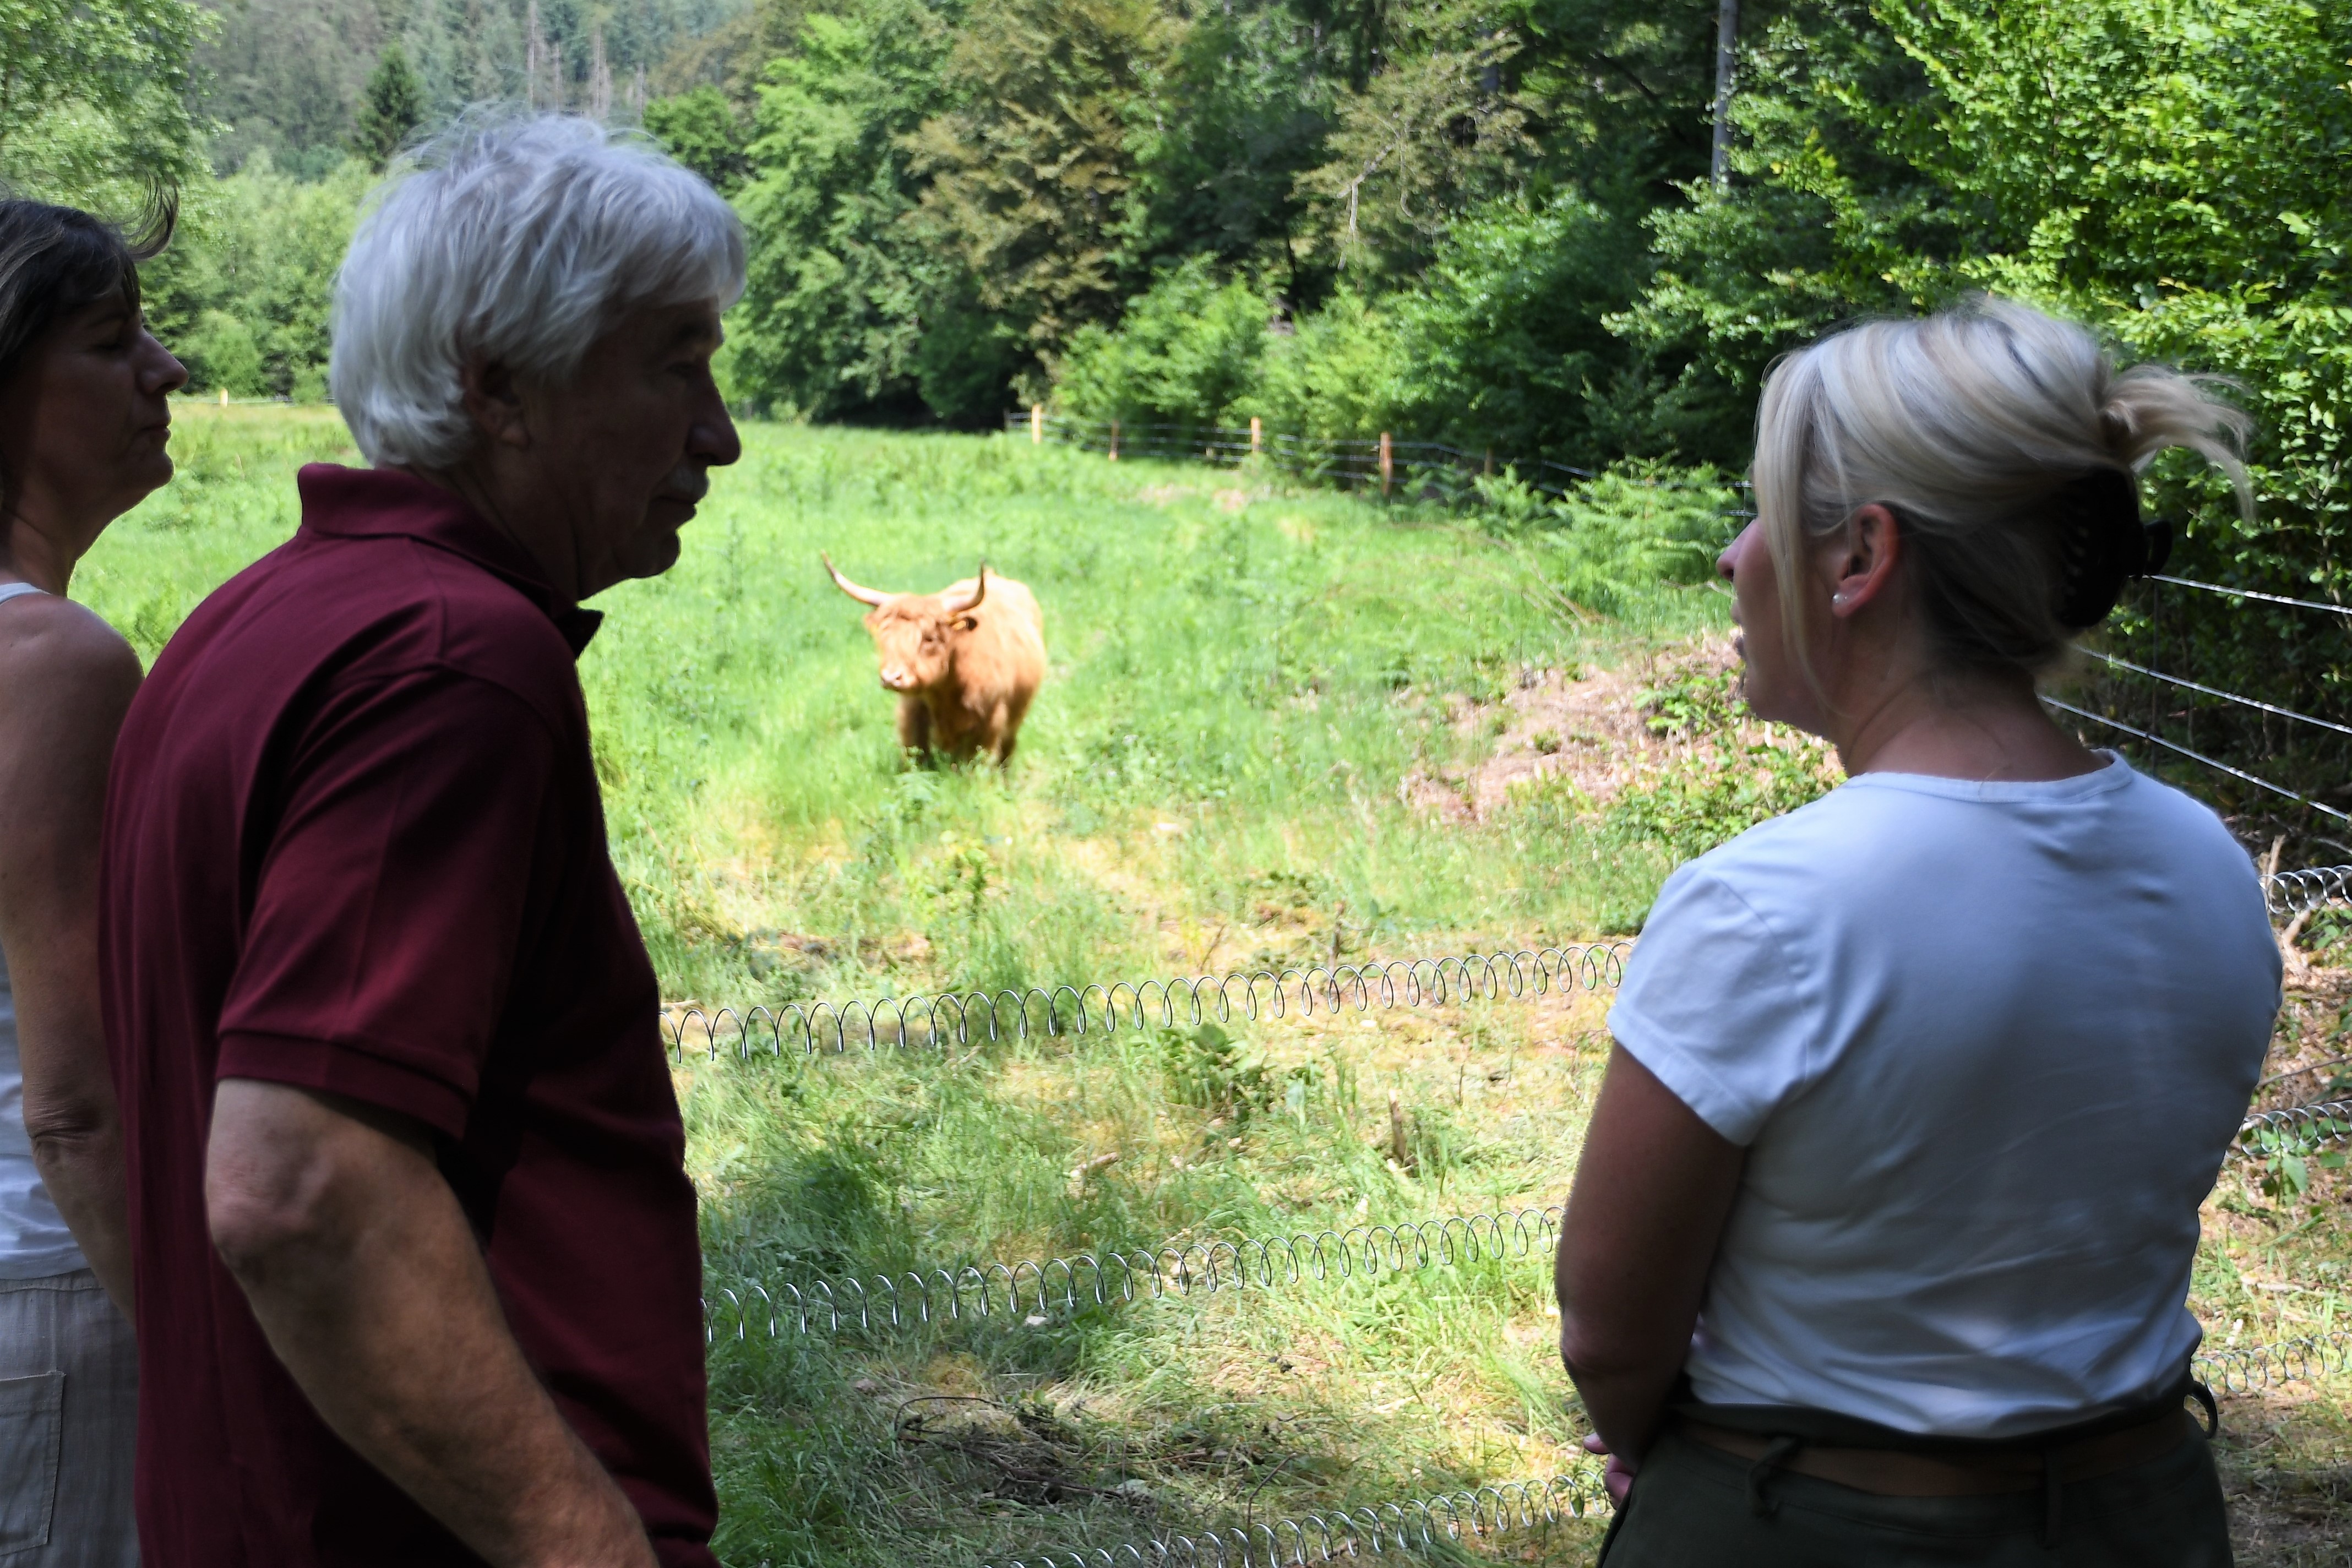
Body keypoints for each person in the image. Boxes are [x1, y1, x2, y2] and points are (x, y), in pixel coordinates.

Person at [99, 116, 742, 1568]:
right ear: (501, 389)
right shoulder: (452, 665)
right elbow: (300, 1188)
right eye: (676, 364)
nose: (721, 432)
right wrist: (586, 1545)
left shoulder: (253, 619)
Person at [1554, 297, 2282, 1565]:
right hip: (2147, 1513)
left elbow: (1612, 1329)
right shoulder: (2208, 861)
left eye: (1763, 512)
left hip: (1806, 1522)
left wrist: (1674, 1458)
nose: (1732, 556)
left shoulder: (1770, 904)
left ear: (1858, 559)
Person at [0, 198, 187, 1565]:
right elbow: (71, 1104)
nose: (165, 368)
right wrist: (205, 1355)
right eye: (115, 340)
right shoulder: (51, 666)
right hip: (46, 1297)